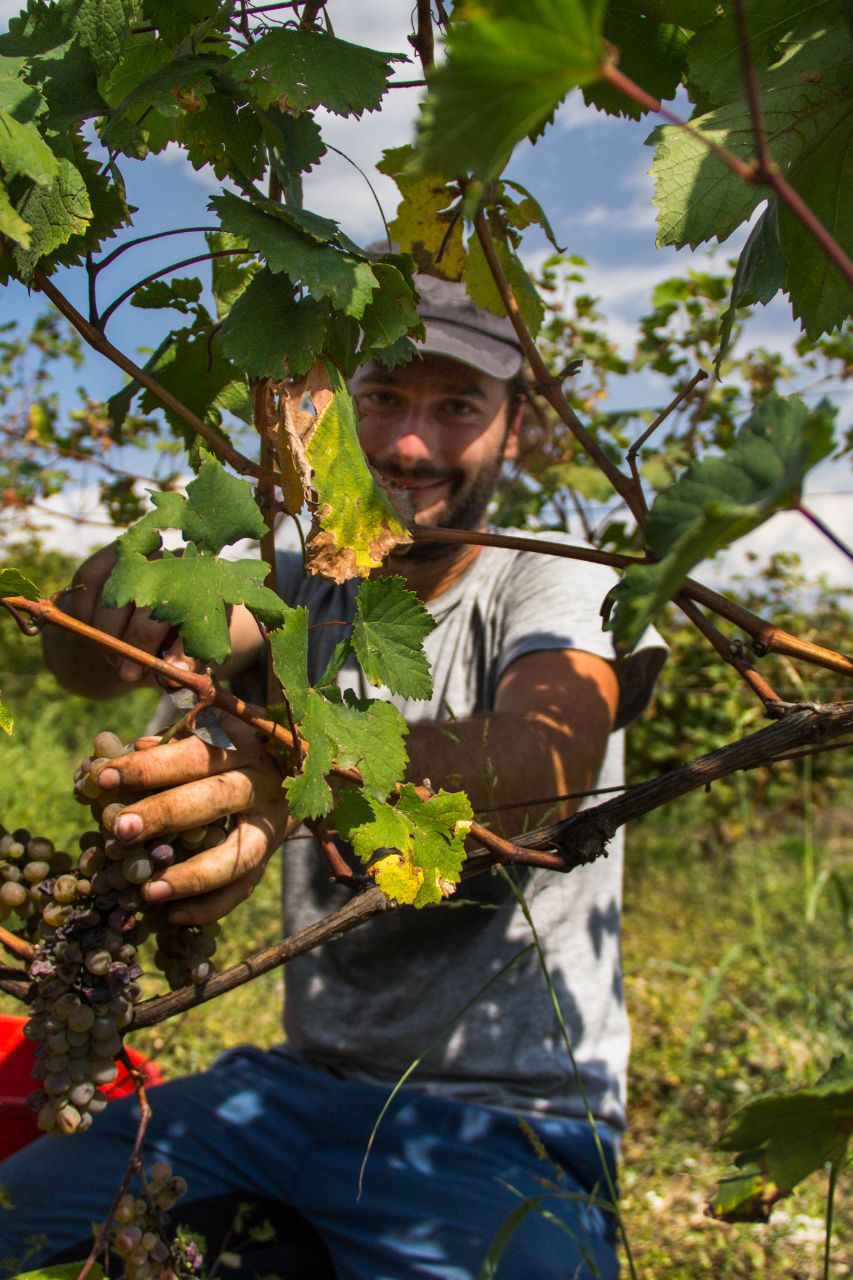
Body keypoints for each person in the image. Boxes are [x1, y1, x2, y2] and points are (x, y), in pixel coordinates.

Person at [0, 274, 665, 1280]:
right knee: (18, 1212)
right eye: (386, 398)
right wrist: (110, 602)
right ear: (340, 414)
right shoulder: (300, 576)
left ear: (514, 427)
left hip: (498, 1123)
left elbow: (549, 758)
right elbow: (98, 658)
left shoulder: (559, 576)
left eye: (456, 408)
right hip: (285, 1089)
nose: (410, 445)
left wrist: (296, 771)